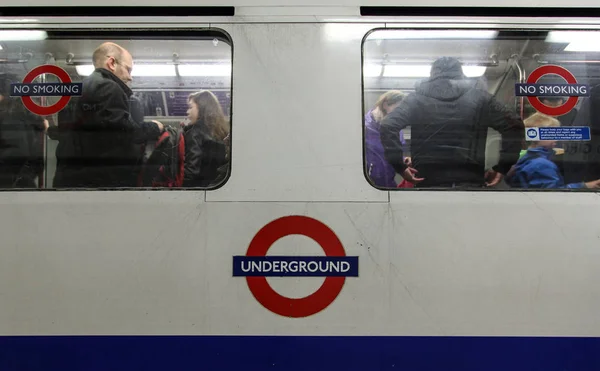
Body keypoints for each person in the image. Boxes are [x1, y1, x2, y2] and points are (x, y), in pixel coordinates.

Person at [380, 56, 525, 188]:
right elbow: (514, 125)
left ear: (432, 75)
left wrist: (400, 167)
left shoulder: (415, 100)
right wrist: (502, 167)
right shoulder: (481, 99)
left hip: (428, 183)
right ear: (461, 74)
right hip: (470, 183)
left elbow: (388, 125)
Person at [58, 42, 164, 187]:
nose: (130, 77)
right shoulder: (108, 87)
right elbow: (123, 133)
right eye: (128, 69)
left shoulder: (79, 89)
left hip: (72, 177)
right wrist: (154, 127)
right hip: (97, 181)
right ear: (112, 63)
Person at [506, 112, 600, 189]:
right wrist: (585, 186)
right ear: (535, 136)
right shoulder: (541, 165)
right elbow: (554, 195)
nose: (556, 137)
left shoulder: (526, 158)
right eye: (550, 133)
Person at [0, 74, 48, 188]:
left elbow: (15, 152)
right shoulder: (23, 115)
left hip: (11, 185)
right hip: (22, 182)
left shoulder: (11, 118)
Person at [183, 90, 229, 187]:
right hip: (216, 185)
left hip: (199, 187)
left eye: (190, 107)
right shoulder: (221, 130)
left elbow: (191, 171)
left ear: (202, 108)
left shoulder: (194, 132)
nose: (187, 111)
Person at [364, 90, 409, 187]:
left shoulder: (396, 129)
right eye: (397, 109)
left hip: (388, 183)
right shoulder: (364, 128)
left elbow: (392, 152)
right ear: (385, 105)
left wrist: (402, 159)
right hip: (368, 184)